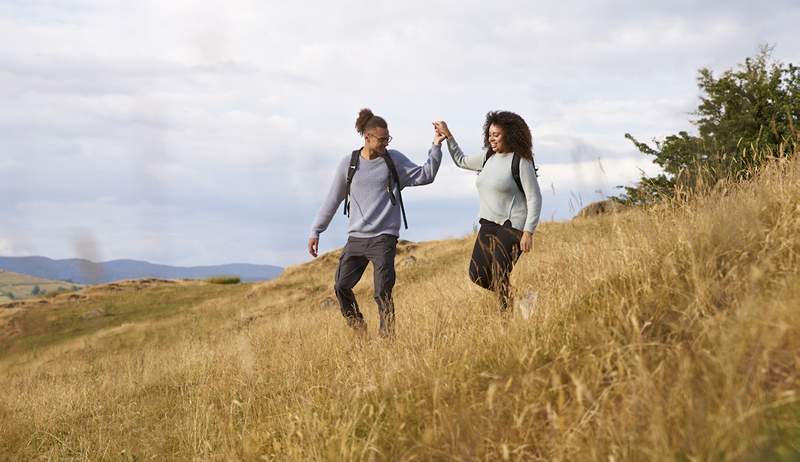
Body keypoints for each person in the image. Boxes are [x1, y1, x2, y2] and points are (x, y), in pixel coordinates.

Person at [309, 108, 444, 337]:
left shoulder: (394, 160)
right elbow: (332, 199)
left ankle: (387, 339)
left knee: (382, 292)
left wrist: (436, 145)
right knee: (341, 286)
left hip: (384, 238)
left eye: (387, 139)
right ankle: (358, 327)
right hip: (356, 239)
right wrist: (316, 230)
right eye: (381, 140)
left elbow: (425, 175)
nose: (385, 144)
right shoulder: (349, 164)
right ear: (367, 137)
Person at [434, 111, 542, 313]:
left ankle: (505, 324)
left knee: (500, 274)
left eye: (497, 135)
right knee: (477, 274)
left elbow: (534, 197)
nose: (491, 139)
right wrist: (448, 136)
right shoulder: (487, 156)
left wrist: (528, 232)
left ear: (509, 135)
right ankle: (522, 298)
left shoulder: (521, 161)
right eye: (490, 134)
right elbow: (461, 160)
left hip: (512, 225)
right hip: (488, 223)